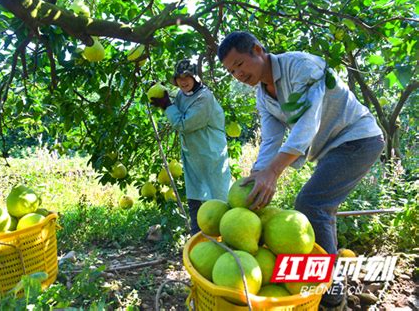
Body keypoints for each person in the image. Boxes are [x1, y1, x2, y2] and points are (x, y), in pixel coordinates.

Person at [217, 31, 384, 309]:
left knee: (312, 204)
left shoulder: (302, 67)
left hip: (358, 139)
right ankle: (328, 283)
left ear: (258, 50)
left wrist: (274, 172)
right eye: (231, 71)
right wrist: (259, 174)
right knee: (320, 207)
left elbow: (308, 123)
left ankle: (330, 293)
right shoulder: (263, 95)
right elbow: (271, 139)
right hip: (334, 148)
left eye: (239, 64)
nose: (237, 74)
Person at [150, 59, 231, 235]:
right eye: (179, 78)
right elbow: (176, 109)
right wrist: (162, 97)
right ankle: (197, 241)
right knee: (195, 200)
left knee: (219, 201)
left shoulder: (204, 98)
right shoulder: (182, 95)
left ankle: (227, 240)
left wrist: (167, 105)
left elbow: (183, 124)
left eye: (187, 77)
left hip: (211, 157)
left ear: (195, 78)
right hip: (193, 157)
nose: (183, 81)